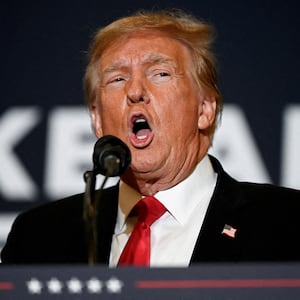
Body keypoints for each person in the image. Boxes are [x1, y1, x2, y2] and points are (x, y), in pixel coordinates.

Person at [1, 9, 300, 266]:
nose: (135, 91)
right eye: (117, 79)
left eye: (160, 74)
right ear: (97, 119)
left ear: (204, 110)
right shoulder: (39, 236)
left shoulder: (286, 223)